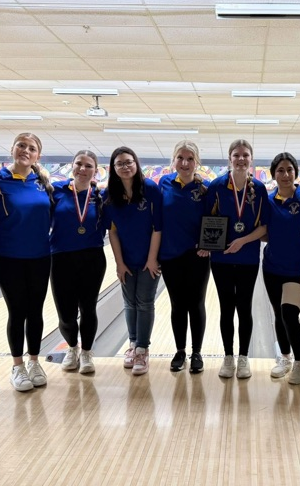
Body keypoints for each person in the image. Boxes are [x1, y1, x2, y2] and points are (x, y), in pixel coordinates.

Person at [0, 132, 54, 392]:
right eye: (21, 145)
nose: (26, 150)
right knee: (17, 311)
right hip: (8, 258)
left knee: (35, 311)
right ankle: (17, 366)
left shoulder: (43, 183)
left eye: (31, 148)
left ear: (38, 155)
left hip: (40, 257)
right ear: (12, 149)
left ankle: (34, 362)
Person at [203, 139, 269, 379]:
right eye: (236, 155)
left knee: (244, 307)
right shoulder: (217, 186)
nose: (241, 159)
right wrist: (206, 244)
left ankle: (243, 358)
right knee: (226, 308)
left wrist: (243, 240)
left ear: (251, 159)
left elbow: (264, 227)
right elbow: (207, 220)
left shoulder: (259, 189)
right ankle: (228, 357)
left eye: (245, 155)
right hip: (220, 259)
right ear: (229, 158)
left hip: (248, 259)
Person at [103, 146, 163, 376]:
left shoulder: (150, 190)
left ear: (136, 164)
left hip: (149, 258)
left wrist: (152, 259)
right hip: (126, 259)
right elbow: (112, 232)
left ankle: (142, 350)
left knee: (144, 302)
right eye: (120, 163)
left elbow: (158, 227)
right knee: (129, 303)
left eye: (129, 162)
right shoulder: (110, 195)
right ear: (113, 168)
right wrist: (119, 263)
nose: (125, 166)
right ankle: (133, 344)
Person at [262, 152, 300, 385]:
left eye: (289, 170)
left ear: (295, 173)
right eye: (280, 170)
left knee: (289, 314)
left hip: (297, 270)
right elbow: (265, 232)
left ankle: (299, 361)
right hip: (271, 267)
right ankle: (284, 358)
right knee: (279, 314)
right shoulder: (268, 201)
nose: (285, 174)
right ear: (273, 174)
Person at [49, 150, 107, 375]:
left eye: (89, 165)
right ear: (72, 165)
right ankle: (72, 347)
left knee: (88, 308)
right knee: (66, 312)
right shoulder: (56, 191)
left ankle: (87, 352)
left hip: (92, 258)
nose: (83, 169)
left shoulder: (101, 196)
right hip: (61, 258)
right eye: (79, 164)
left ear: (95, 171)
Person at [158, 140, 211, 374]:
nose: (185, 163)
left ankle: (196, 352)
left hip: (197, 255)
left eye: (190, 159)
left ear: (196, 162)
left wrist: (208, 244)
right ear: (174, 160)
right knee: (177, 304)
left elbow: (214, 219)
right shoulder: (164, 183)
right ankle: (180, 351)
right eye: (180, 158)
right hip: (170, 255)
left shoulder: (205, 188)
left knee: (196, 303)